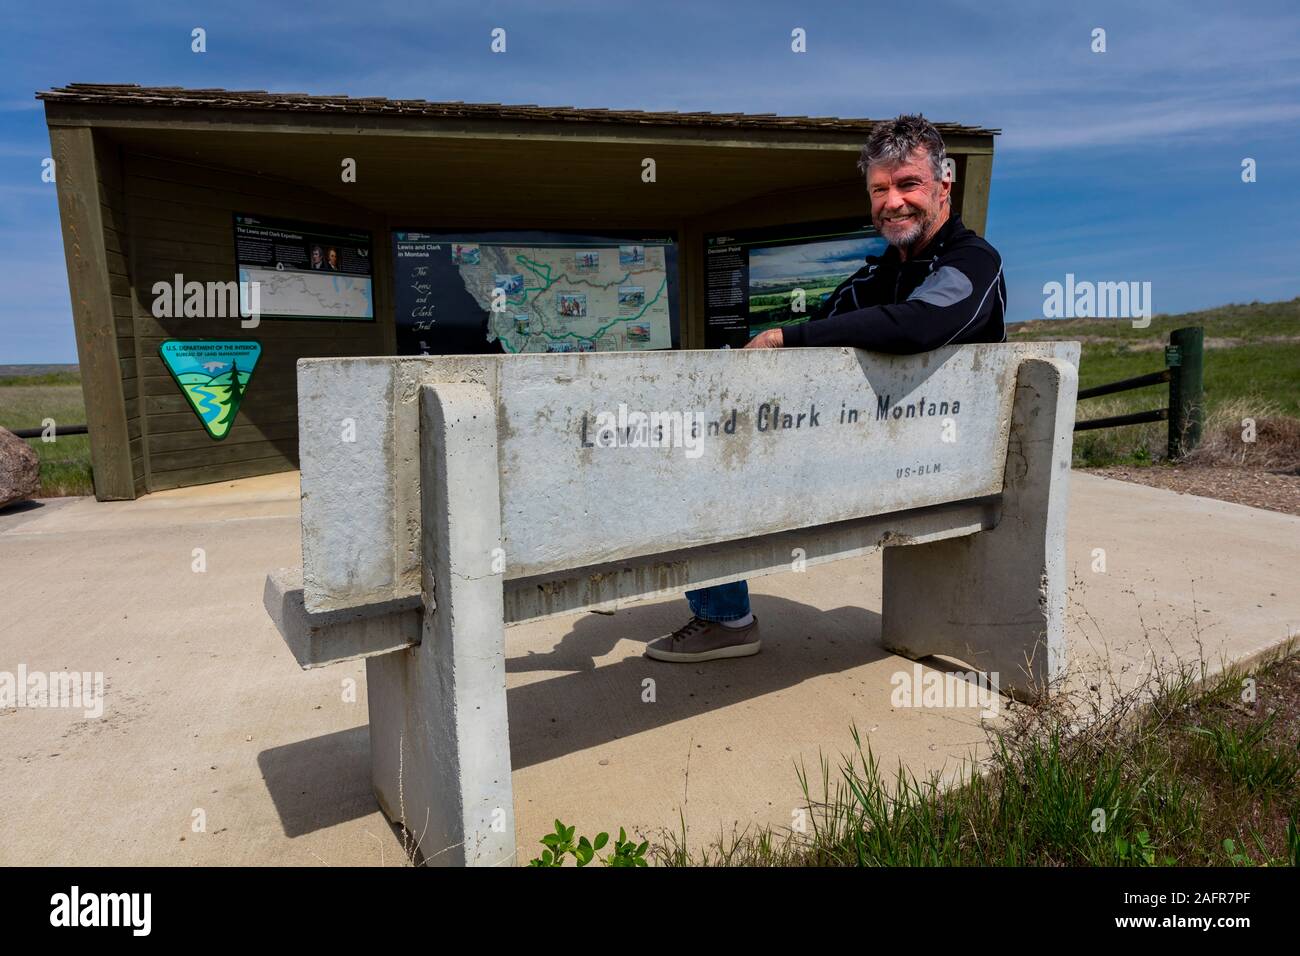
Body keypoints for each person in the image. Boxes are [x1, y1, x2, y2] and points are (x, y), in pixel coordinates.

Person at [644, 113, 1007, 663]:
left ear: (944, 185)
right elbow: (815, 347)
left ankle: (724, 617)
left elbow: (918, 325)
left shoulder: (973, 262)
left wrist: (782, 336)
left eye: (908, 184)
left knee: (706, 454)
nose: (893, 202)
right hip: (891, 470)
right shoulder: (870, 281)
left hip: (926, 476)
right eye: (879, 190)